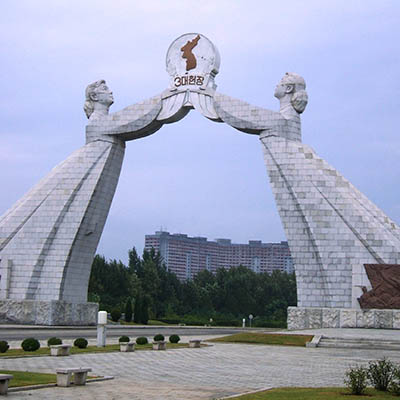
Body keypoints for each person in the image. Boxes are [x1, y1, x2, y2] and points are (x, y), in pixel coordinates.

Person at [212, 73, 400, 310]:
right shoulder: (285, 122)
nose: (276, 83)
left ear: (288, 88)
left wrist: (208, 93)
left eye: (280, 81)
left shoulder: (281, 121)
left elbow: (242, 114)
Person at [0, 81, 164, 308]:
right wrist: (170, 95)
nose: (112, 91)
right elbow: (139, 117)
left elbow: (141, 116)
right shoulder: (100, 124)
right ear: (95, 96)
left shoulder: (108, 124)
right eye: (106, 89)